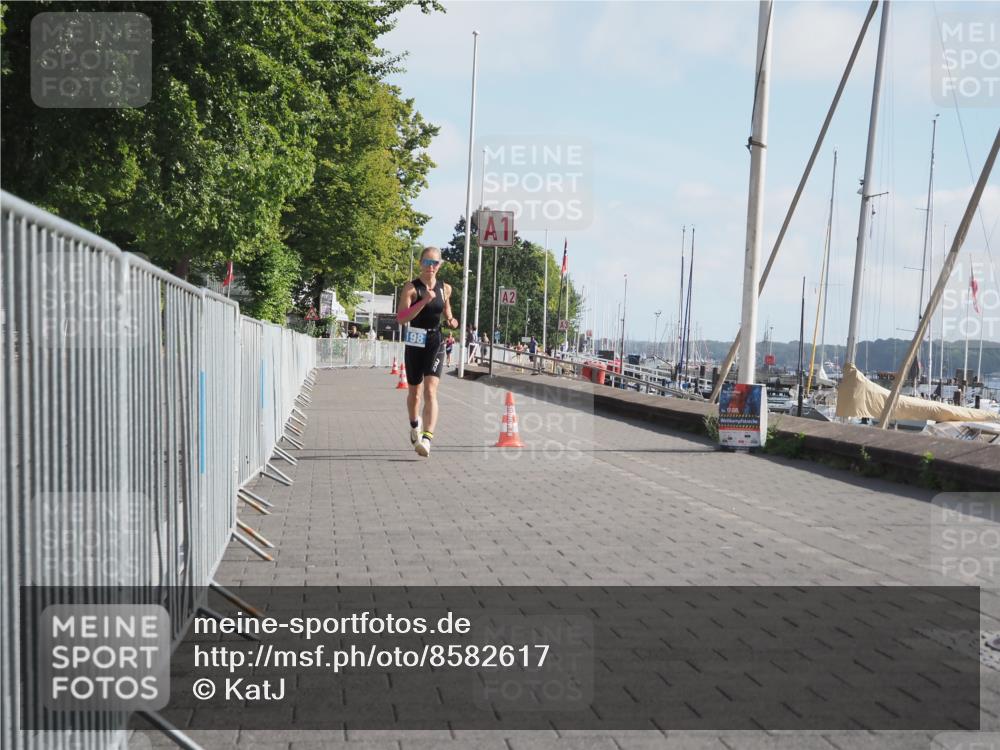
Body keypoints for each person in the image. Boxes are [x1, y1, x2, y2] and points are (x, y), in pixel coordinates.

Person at [396, 246, 459, 457]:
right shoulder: (411, 288)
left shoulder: (445, 288)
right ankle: (414, 424)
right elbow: (402, 318)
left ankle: (427, 438)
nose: (430, 267)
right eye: (426, 262)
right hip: (415, 338)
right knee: (414, 393)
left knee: (431, 390)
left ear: (439, 265)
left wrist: (451, 320)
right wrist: (423, 301)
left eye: (434, 263)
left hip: (435, 340)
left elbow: (447, 310)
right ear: (420, 263)